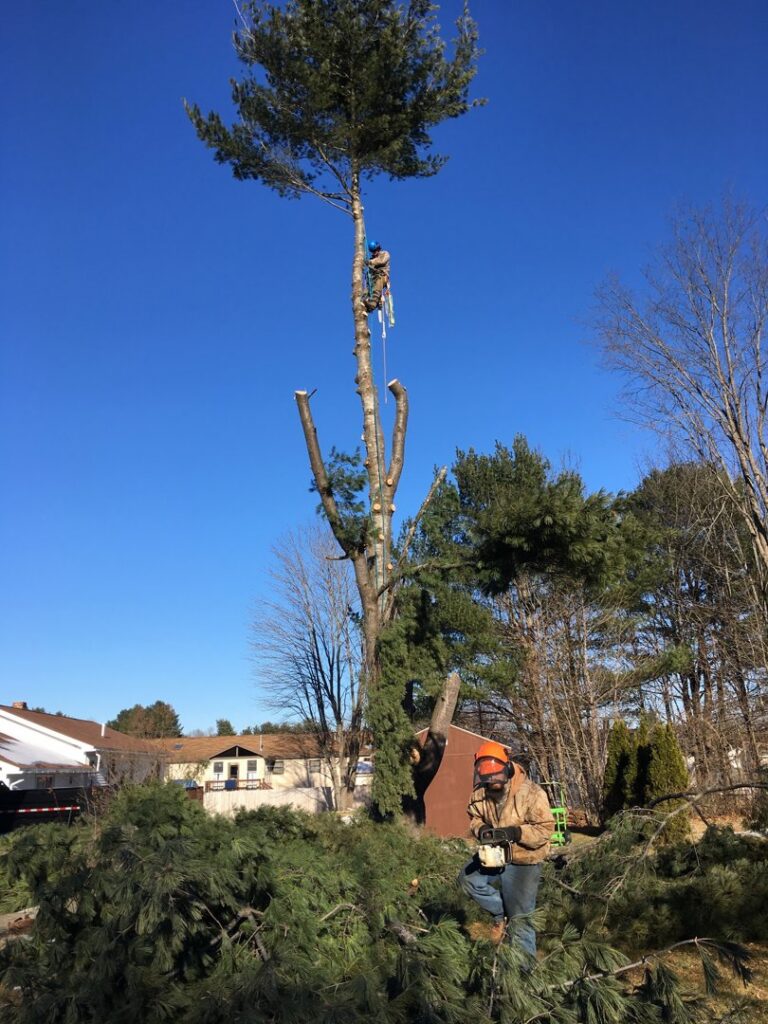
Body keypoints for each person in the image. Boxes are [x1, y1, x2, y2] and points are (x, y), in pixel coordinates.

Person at [458, 741, 555, 954]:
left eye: (496, 777)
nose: (492, 782)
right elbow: (474, 816)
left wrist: (516, 833)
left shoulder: (531, 793)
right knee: (467, 881)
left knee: (520, 921)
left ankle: (523, 975)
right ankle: (500, 913)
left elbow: (545, 830)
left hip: (523, 860)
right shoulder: (480, 792)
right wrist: (482, 829)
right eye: (487, 778)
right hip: (494, 854)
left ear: (508, 768)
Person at [363, 239, 390, 312]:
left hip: (382, 276)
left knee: (377, 286)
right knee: (366, 291)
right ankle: (364, 303)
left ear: (379, 248)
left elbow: (381, 261)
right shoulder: (372, 259)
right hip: (373, 278)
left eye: (376, 251)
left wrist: (370, 262)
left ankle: (372, 304)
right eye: (373, 252)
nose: (375, 253)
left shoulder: (385, 253)